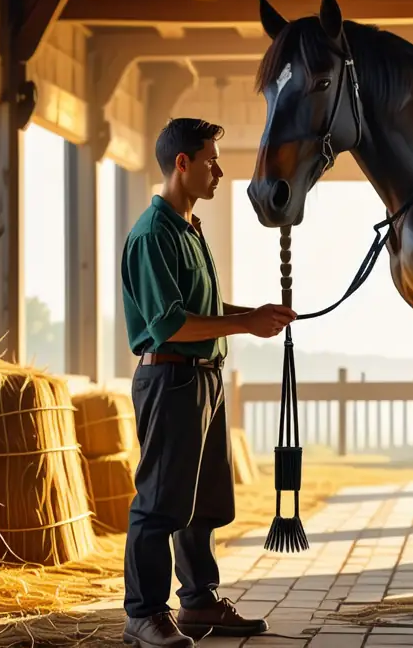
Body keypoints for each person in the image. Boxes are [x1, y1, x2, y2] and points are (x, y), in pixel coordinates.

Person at [120, 118, 297, 648]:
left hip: (203, 380)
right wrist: (245, 324)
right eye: (211, 160)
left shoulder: (190, 230)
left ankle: (197, 602)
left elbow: (203, 310)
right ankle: (143, 614)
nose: (220, 171)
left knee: (200, 499)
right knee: (159, 501)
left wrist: (257, 314)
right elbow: (171, 323)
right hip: (170, 378)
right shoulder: (154, 234)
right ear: (183, 163)